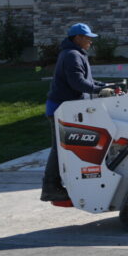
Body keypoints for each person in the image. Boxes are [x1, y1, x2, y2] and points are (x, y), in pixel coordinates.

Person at [40, 23, 113, 202]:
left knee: (66, 148)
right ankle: (50, 187)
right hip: (60, 109)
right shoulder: (72, 55)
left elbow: (87, 80)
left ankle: (60, 183)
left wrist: (105, 86)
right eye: (88, 38)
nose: (90, 41)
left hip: (66, 108)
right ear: (78, 38)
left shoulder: (75, 54)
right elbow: (78, 83)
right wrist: (99, 91)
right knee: (59, 149)